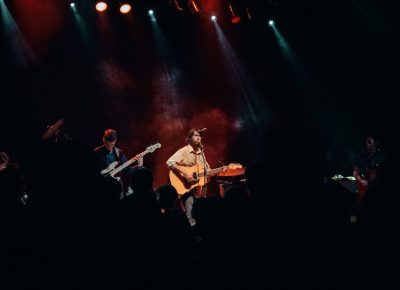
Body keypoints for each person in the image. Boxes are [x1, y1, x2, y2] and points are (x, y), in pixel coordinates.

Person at [166, 128, 217, 226]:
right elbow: (170, 162)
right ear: (189, 139)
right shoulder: (184, 151)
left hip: (199, 189)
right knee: (190, 215)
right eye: (196, 135)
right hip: (186, 187)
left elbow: (206, 170)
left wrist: (212, 173)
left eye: (199, 135)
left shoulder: (201, 153)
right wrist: (185, 173)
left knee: (201, 214)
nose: (199, 137)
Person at [94, 129, 143, 198]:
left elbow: (127, 171)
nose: (110, 148)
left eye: (112, 145)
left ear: (115, 141)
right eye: (108, 145)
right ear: (104, 140)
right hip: (101, 189)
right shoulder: (96, 153)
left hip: (116, 190)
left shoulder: (119, 153)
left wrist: (139, 165)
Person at [353, 133, 385, 207]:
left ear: (375, 143)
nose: (367, 144)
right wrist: (361, 180)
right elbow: (355, 172)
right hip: (365, 188)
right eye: (366, 142)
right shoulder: (361, 156)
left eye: (369, 142)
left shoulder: (381, 156)